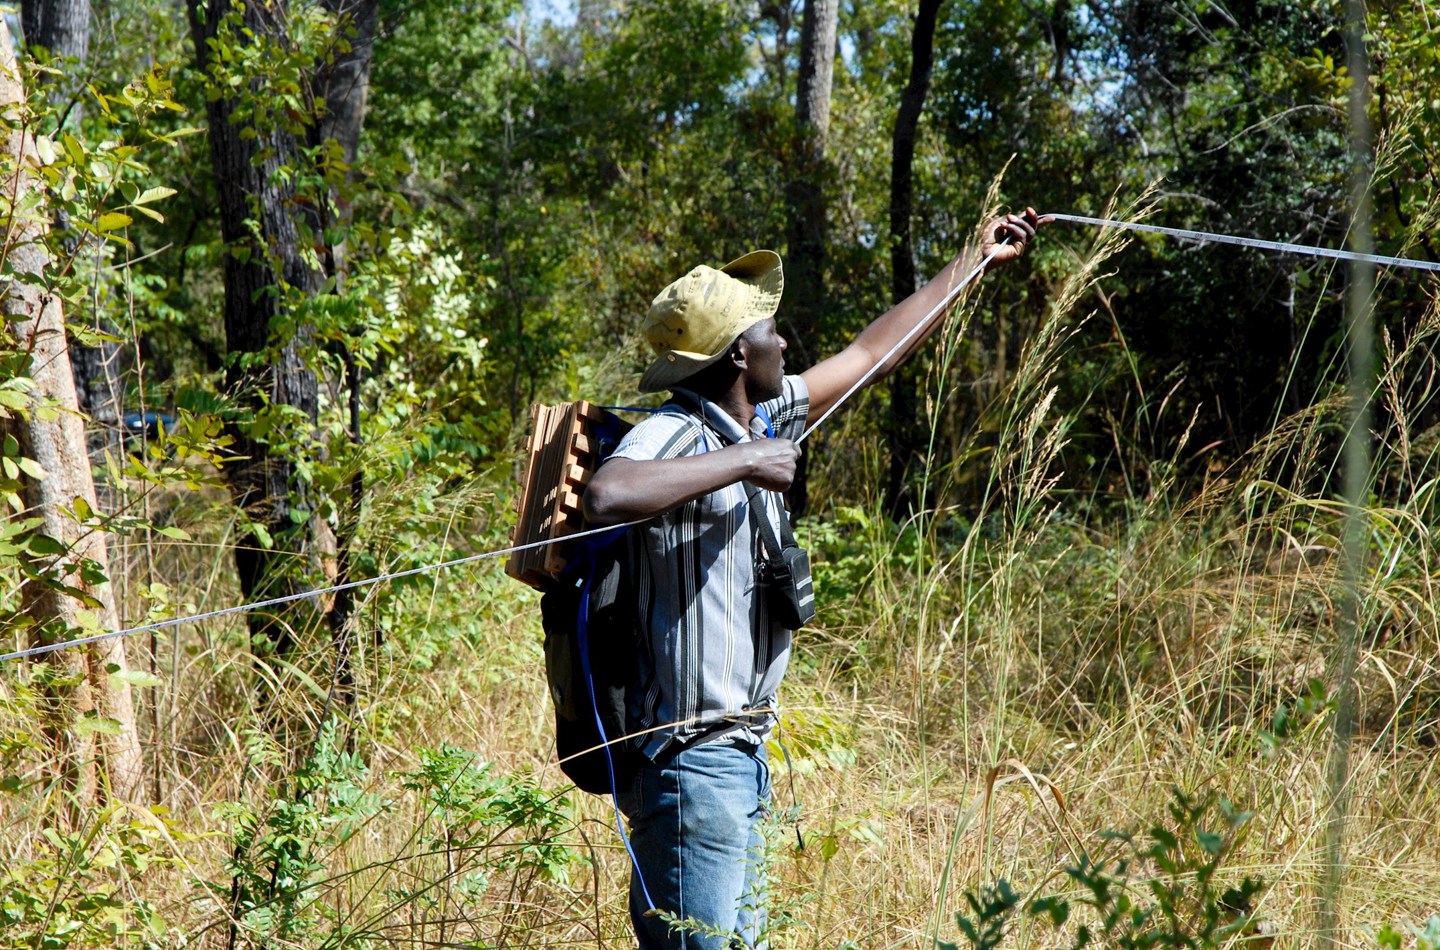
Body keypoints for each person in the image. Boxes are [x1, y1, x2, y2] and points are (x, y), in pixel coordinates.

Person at [582, 209, 1045, 949]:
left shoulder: (765, 418)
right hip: (690, 770)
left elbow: (872, 355)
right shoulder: (678, 432)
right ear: (739, 353)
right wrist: (744, 464)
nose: (785, 341)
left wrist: (975, 260)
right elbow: (608, 492)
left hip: (738, 761)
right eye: (771, 329)